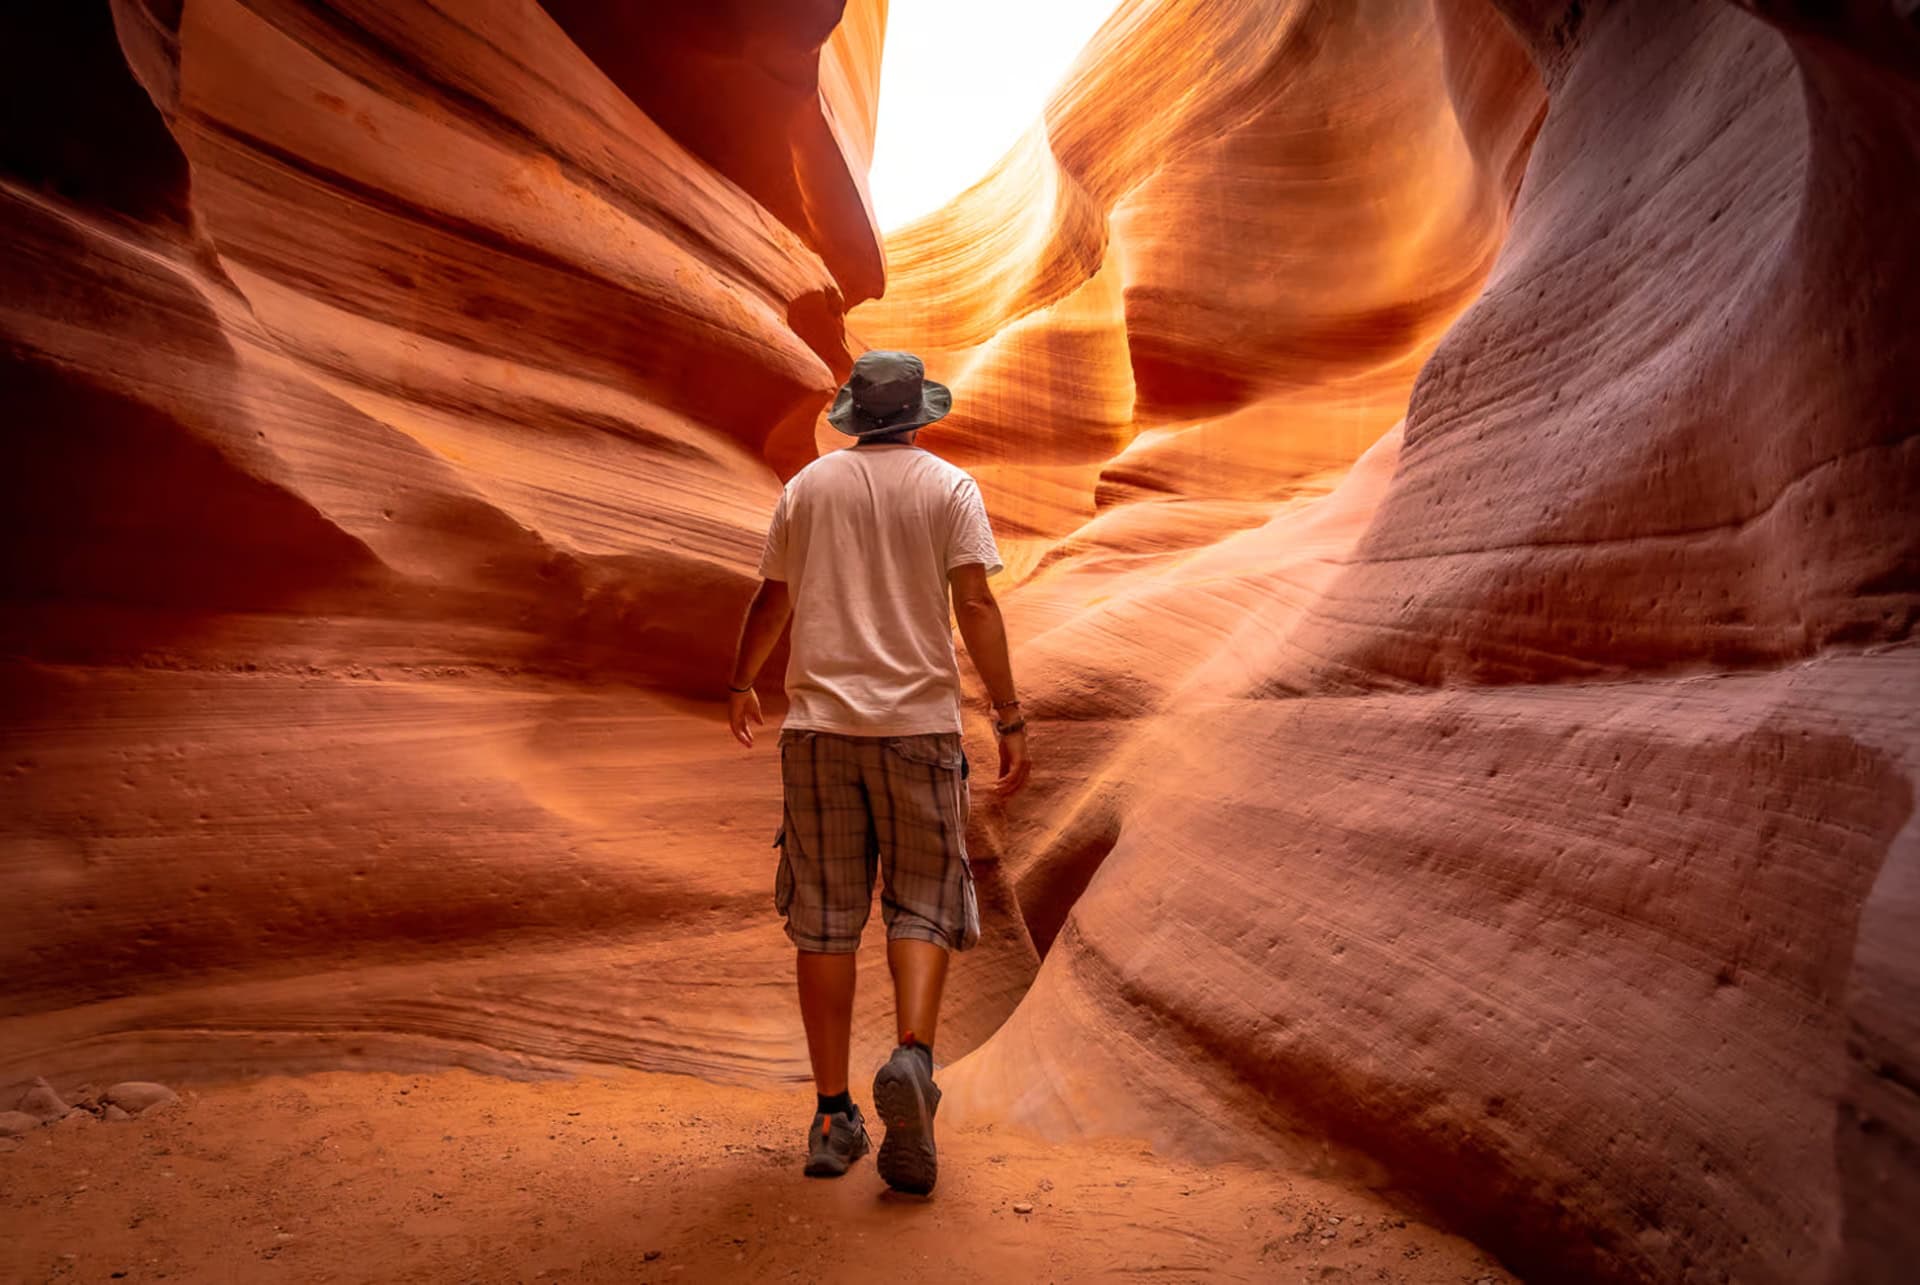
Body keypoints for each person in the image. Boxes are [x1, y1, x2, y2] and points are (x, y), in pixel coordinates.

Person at [725, 349, 1031, 1195]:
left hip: (819, 730)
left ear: (853, 414)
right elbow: (975, 603)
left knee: (823, 919)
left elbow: (772, 599)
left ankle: (832, 1115)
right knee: (924, 899)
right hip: (918, 729)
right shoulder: (950, 487)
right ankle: (913, 1060)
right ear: (920, 415)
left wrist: (743, 681)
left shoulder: (808, 488)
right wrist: (1007, 714)